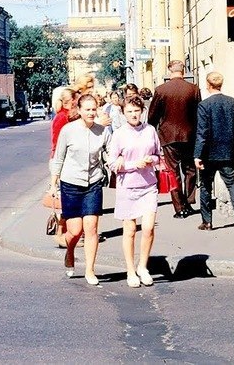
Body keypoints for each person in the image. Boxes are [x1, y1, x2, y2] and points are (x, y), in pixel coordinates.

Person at [49, 93, 111, 286]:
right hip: (71, 183)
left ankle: (90, 270)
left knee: (91, 229)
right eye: (88, 109)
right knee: (75, 231)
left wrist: (118, 164)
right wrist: (53, 184)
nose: (92, 113)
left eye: (94, 109)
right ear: (80, 110)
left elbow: (110, 155)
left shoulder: (103, 132)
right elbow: (58, 158)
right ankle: (69, 252)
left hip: (93, 183)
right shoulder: (68, 130)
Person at [108, 94, 160, 287]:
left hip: (148, 185)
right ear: (123, 113)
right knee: (130, 230)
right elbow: (112, 163)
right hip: (127, 186)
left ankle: (143, 266)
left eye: (136, 111)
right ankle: (131, 270)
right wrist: (131, 164)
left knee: (147, 228)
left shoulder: (150, 130)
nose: (133, 115)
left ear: (142, 111)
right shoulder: (119, 134)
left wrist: (150, 160)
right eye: (129, 111)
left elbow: (157, 155)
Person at [193, 71, 234, 232]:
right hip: (228, 153)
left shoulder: (204, 105)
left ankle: (207, 222)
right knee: (231, 183)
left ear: (208, 84)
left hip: (208, 154)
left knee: (205, 186)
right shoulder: (233, 103)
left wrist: (197, 155)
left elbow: (202, 132)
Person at [147, 59, 200, 218]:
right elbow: (199, 113)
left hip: (168, 136)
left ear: (170, 70)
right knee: (190, 169)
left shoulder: (161, 90)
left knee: (173, 171)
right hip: (190, 135)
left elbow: (153, 115)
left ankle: (179, 207)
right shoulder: (193, 89)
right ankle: (189, 200)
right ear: (183, 71)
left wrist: (153, 129)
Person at [48, 88, 76, 248]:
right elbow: (58, 144)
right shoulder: (63, 117)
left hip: (64, 161)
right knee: (65, 201)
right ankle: (60, 235)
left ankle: (67, 234)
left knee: (67, 201)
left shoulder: (66, 116)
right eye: (75, 100)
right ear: (70, 101)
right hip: (61, 161)